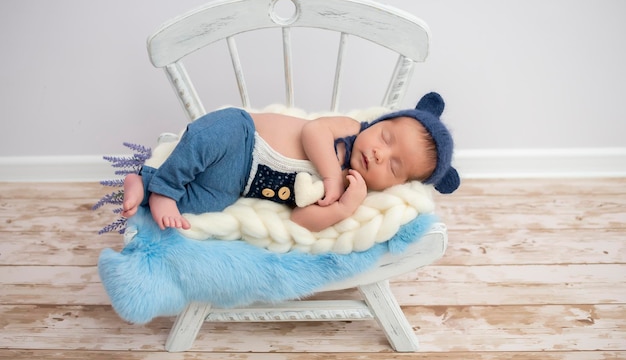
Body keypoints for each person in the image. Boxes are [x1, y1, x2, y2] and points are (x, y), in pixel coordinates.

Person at [122, 92, 459, 232]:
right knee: (203, 141)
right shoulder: (350, 131)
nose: (379, 154)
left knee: (205, 203)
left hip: (238, 181)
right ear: (379, 123)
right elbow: (313, 131)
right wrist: (330, 176)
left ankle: (145, 181)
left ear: (398, 185)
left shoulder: (353, 192)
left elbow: (301, 219)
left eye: (395, 167)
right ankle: (165, 187)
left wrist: (342, 208)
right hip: (243, 134)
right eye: (386, 137)